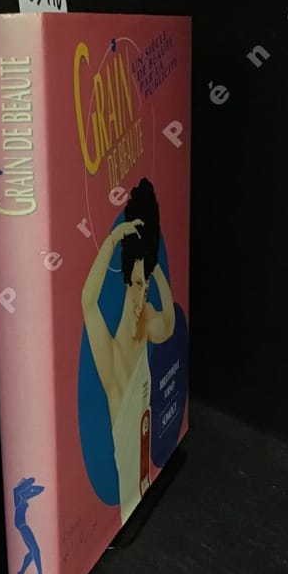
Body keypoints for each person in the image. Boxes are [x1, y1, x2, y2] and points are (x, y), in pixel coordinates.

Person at [80, 178, 175, 522]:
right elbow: (88, 302)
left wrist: (155, 274)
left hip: (150, 487)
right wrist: (113, 239)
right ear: (125, 284)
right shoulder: (112, 357)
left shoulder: (146, 324)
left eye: (144, 287)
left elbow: (168, 326)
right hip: (127, 506)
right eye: (136, 285)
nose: (141, 296)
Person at [13, 477, 46, 574]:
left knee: (33, 551)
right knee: (36, 549)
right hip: (21, 525)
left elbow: (41, 489)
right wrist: (28, 484)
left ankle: (21, 572)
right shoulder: (17, 496)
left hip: (23, 524)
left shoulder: (25, 496)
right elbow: (30, 481)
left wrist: (30, 488)